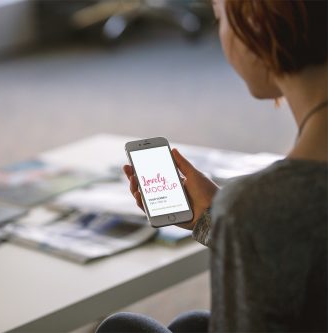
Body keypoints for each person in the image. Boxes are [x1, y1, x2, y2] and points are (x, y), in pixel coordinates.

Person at [96, 0, 327, 332]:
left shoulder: (261, 205)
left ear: (257, 27)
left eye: (220, 19)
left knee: (122, 328)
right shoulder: (269, 206)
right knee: (191, 325)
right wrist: (212, 219)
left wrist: (241, 215)